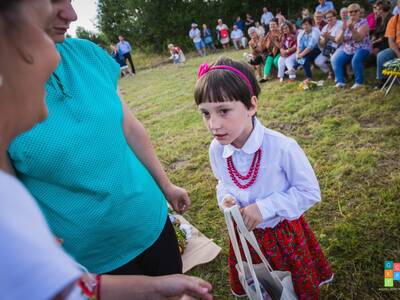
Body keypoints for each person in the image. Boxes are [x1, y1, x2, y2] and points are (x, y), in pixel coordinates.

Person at [0, 1, 213, 300]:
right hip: (90, 250)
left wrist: (165, 184)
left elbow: (129, 126)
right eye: (52, 3)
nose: (72, 15)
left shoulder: (86, 54)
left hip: (146, 219)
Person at [194, 57, 333, 300]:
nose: (213, 124)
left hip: (282, 234)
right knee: (263, 285)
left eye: (224, 110)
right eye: (206, 114)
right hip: (246, 236)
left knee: (291, 285)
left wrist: (265, 208)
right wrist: (226, 198)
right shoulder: (216, 149)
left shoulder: (281, 147)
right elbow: (223, 182)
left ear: (251, 105)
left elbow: (309, 191)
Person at [331, 3, 372, 89]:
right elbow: (338, 40)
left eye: (355, 11)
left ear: (359, 12)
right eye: (350, 12)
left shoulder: (364, 22)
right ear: (348, 13)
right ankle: (340, 82)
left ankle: (359, 83)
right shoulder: (344, 23)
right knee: (335, 58)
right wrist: (343, 30)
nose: (353, 13)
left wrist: (352, 29)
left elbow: (359, 39)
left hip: (362, 47)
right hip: (347, 48)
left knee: (355, 60)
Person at [374, 13, 400, 88]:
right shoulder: (394, 20)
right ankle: (383, 79)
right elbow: (391, 41)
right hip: (397, 48)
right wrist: (398, 55)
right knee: (382, 55)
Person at [315, 11, 342, 79]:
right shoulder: (325, 27)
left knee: (334, 59)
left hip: (340, 47)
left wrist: (329, 36)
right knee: (318, 62)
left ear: (335, 17)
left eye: (331, 17)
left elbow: (339, 40)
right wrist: (325, 39)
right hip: (328, 48)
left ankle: (338, 75)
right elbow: (322, 43)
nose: (329, 19)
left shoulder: (340, 24)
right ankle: (330, 72)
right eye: (327, 17)